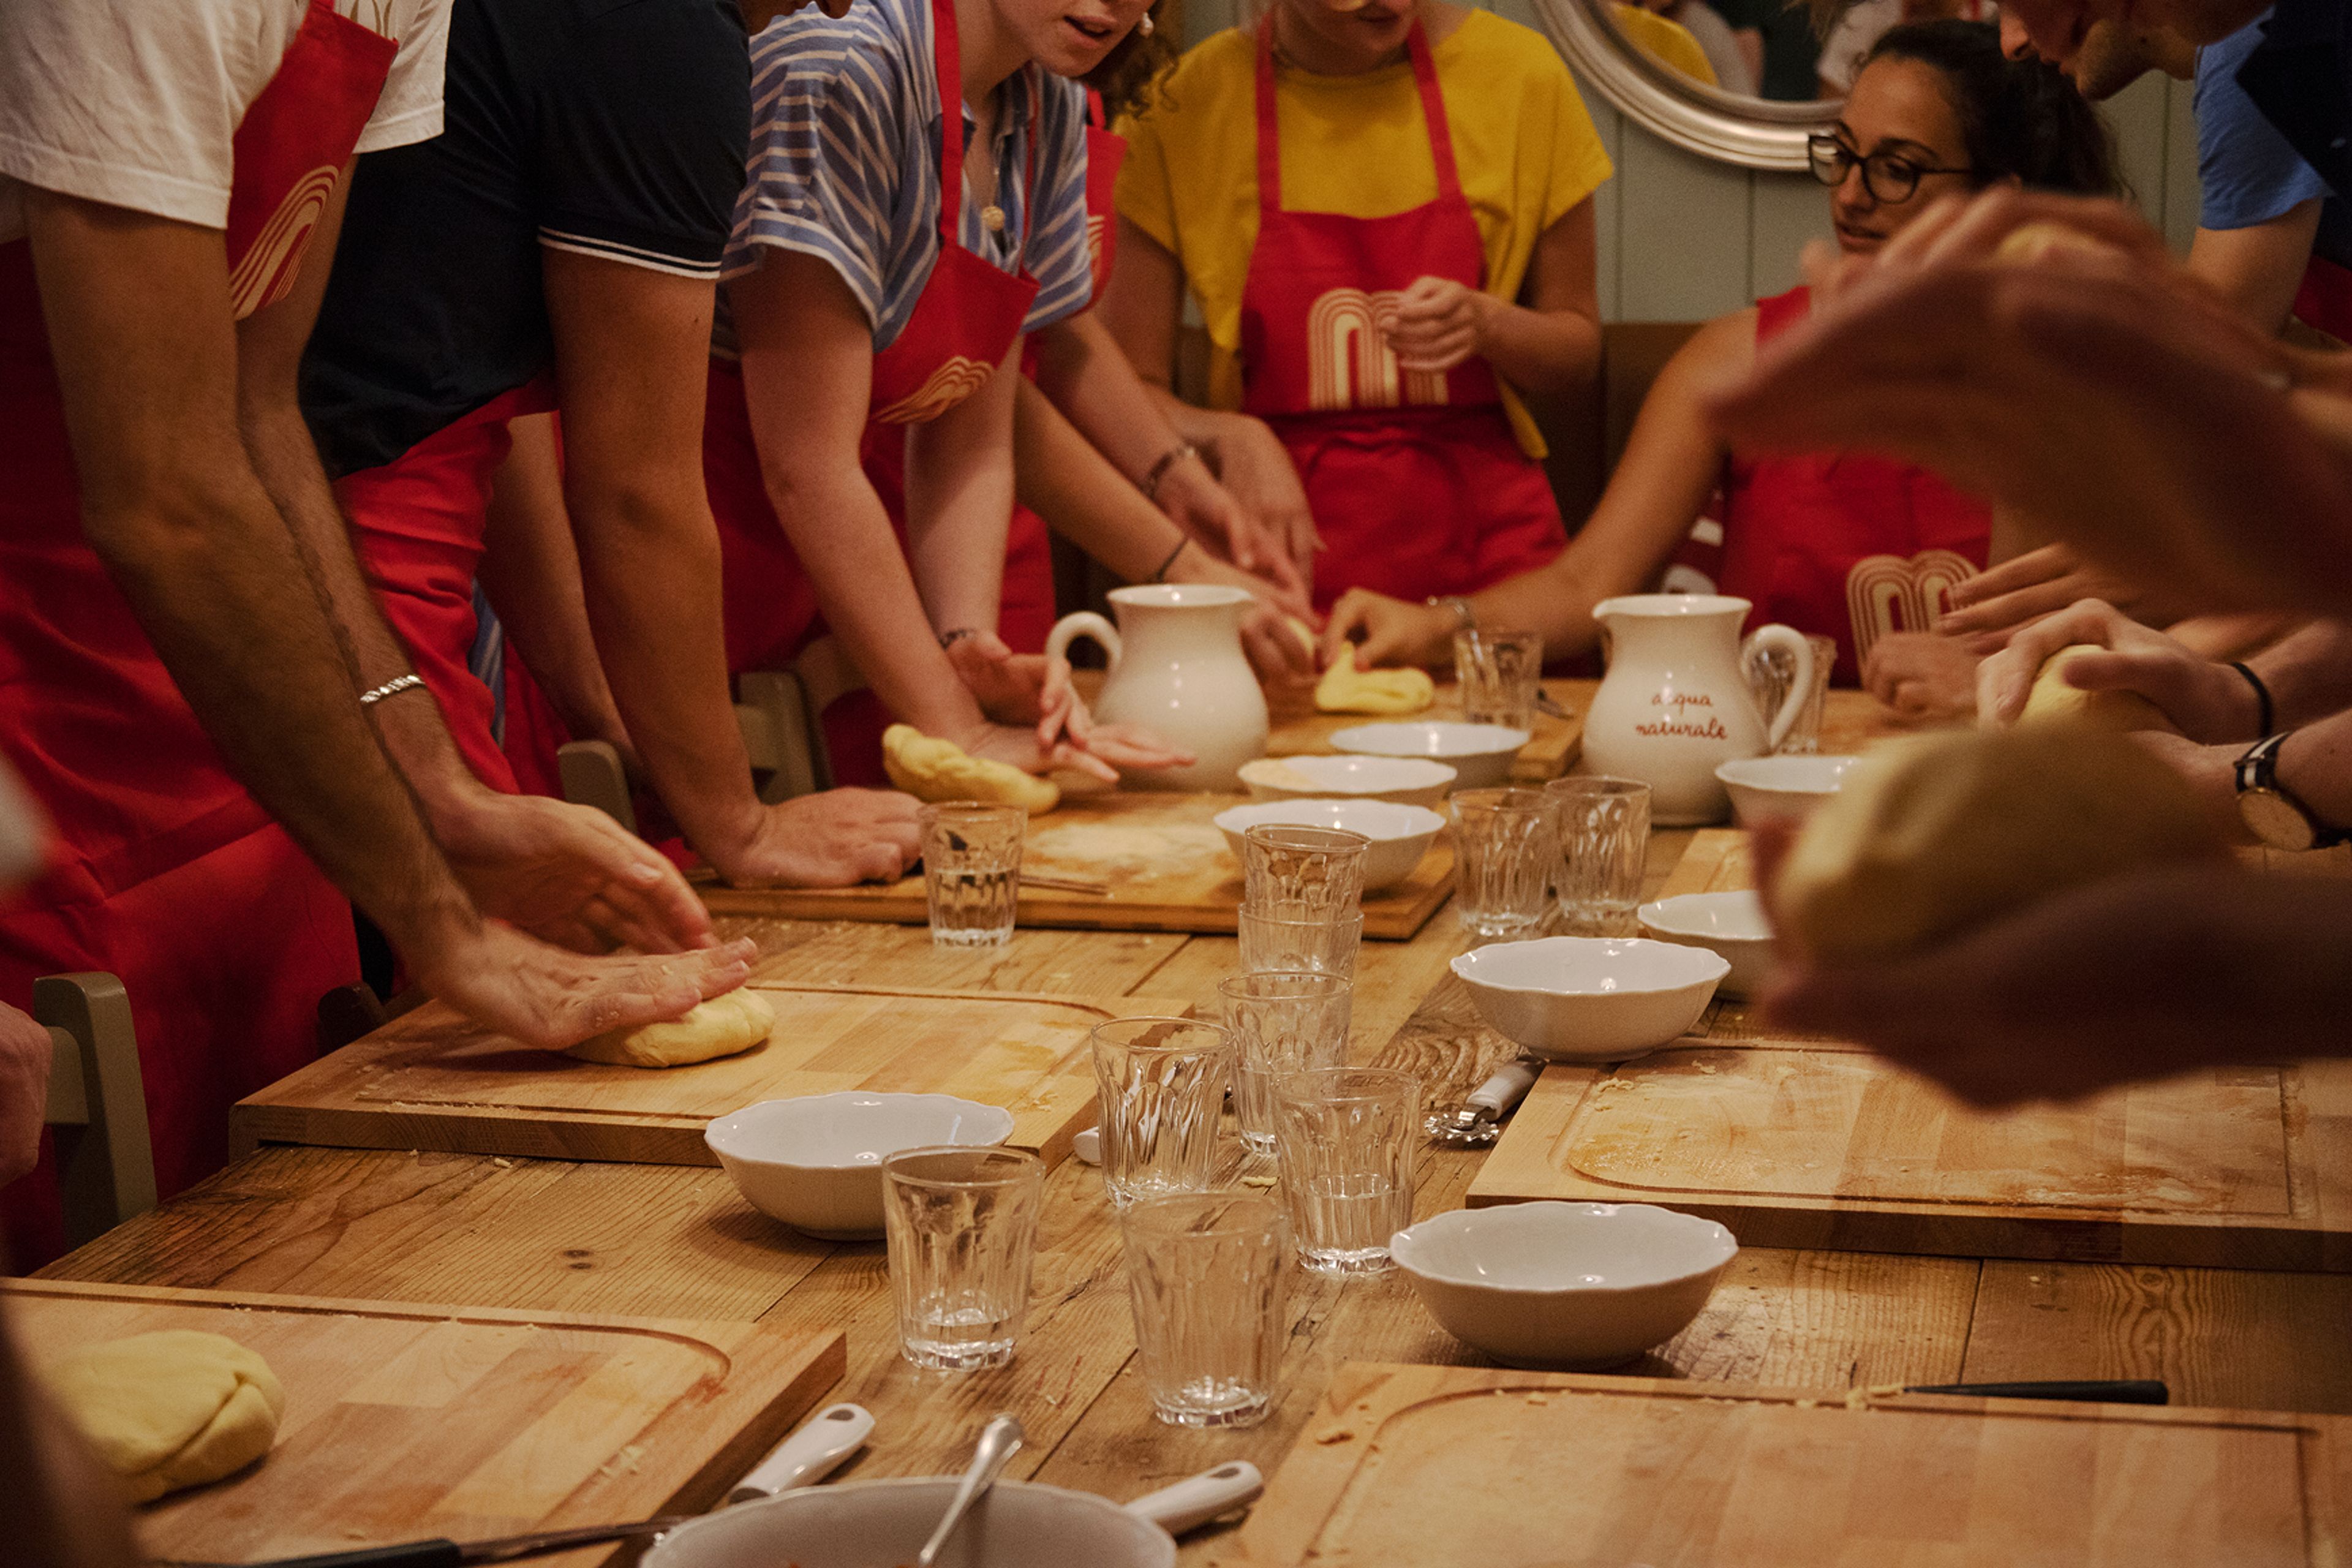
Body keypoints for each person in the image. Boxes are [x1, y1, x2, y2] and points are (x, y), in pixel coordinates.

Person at [0, 0, 755, 1265]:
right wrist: (442, 922)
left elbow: (260, 408)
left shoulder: (396, 4)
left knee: (301, 1269)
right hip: (36, 757)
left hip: (244, 752)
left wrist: (436, 795)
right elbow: (165, 498)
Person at [300, 0, 928, 890]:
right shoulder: (663, 31)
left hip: (358, 529)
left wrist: (595, 698)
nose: (834, 8)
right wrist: (740, 826)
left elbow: (485, 399)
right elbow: (637, 492)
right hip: (338, 552)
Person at [1321, 22, 2119, 699]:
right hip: (1765, 792)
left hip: (1988, 787)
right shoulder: (1734, 359)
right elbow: (1587, 583)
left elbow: (2138, 630)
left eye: (1896, 169)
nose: (1850, 196)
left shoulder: (2086, 382)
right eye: (1841, 156)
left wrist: (1992, 678)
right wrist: (1431, 626)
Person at [704, 0, 1205, 790]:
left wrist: (963, 647)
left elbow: (967, 435)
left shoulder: (1047, 104)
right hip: (699, 552)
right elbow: (807, 467)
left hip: (826, 563)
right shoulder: (840, 73)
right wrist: (956, 727)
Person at [1102, 0, 1613, 619]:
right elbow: (1123, 390)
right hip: (1281, 566)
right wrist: (1231, 436)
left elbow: (1579, 351)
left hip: (1493, 576)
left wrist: (1490, 326)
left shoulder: (1524, 78)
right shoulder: (1182, 106)